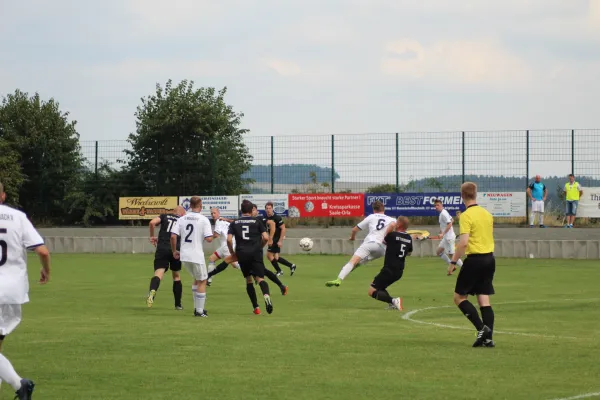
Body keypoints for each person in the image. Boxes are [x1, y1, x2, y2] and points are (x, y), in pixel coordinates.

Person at [0, 182, 51, 399]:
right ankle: (20, 386)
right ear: (2, 195)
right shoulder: (17, 216)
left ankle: (19, 385)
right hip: (12, 290)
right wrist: (46, 271)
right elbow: (42, 251)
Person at [450, 182, 496, 348]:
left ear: (462, 196)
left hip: (475, 259)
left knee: (459, 297)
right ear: (476, 194)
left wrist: (453, 261)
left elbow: (463, 243)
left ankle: (481, 329)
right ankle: (488, 339)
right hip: (489, 259)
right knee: (484, 299)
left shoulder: (466, 216)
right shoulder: (487, 214)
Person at [207, 206, 288, 296]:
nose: (252, 211)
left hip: (250, 251)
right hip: (248, 250)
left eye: (254, 210)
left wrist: (270, 238)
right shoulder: (244, 220)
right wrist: (226, 219)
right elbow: (235, 222)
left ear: (256, 211)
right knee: (227, 261)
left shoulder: (259, 219)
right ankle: (209, 276)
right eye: (251, 209)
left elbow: (272, 224)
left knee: (255, 271)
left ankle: (277, 288)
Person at [325, 201, 395, 287]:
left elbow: (355, 229)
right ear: (383, 209)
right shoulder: (392, 220)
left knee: (353, 261)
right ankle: (345, 274)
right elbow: (394, 231)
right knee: (359, 263)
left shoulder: (371, 217)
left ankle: (339, 279)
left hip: (370, 243)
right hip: (382, 249)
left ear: (374, 210)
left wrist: (352, 237)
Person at [228, 200, 274, 315]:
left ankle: (256, 307)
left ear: (241, 210)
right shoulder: (257, 221)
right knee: (260, 279)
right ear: (250, 210)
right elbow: (265, 237)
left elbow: (228, 239)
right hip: (255, 252)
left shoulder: (234, 223)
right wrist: (260, 247)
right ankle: (266, 296)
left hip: (242, 253)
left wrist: (232, 252)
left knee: (248, 280)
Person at [170, 197, 213, 317]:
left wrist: (174, 251)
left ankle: (197, 308)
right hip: (196, 255)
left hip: (184, 255)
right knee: (203, 280)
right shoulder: (203, 219)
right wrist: (215, 235)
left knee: (196, 279)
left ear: (190, 205)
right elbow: (209, 239)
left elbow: (173, 236)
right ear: (200, 205)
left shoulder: (182, 219)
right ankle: (199, 311)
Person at [368, 216, 413, 311]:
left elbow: (383, 240)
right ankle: (392, 304)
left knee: (372, 290)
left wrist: (390, 228)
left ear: (399, 224)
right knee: (381, 287)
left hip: (389, 269)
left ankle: (393, 301)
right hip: (399, 271)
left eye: (397, 222)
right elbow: (409, 253)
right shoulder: (409, 238)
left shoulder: (392, 235)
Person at [146, 206, 186, 309]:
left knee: (158, 273)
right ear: (181, 213)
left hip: (162, 248)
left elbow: (152, 223)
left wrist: (152, 236)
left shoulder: (164, 216)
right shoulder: (182, 220)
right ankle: (178, 305)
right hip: (175, 250)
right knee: (176, 276)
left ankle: (152, 292)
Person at [206, 207, 240, 286]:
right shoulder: (225, 221)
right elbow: (236, 223)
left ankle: (251, 272)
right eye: (211, 213)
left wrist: (207, 237)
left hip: (227, 246)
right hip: (227, 245)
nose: (213, 215)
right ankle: (209, 279)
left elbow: (216, 235)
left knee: (234, 264)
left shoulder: (218, 221)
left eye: (214, 213)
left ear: (218, 213)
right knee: (211, 258)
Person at [265, 202, 297, 276]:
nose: (268, 210)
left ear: (272, 209)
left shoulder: (277, 218)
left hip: (275, 240)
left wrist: (280, 241)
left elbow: (283, 229)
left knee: (269, 255)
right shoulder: (266, 218)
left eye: (270, 208)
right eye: (267, 208)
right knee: (276, 257)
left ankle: (279, 271)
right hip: (272, 239)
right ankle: (291, 265)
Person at [434, 199, 463, 274]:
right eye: (435, 205)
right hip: (445, 238)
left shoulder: (443, 213)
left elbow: (450, 224)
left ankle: (464, 268)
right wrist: (441, 232)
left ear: (441, 205)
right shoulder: (442, 213)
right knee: (438, 252)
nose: (436, 207)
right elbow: (452, 220)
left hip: (449, 238)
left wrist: (443, 233)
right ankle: (452, 266)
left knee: (453, 255)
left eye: (438, 205)